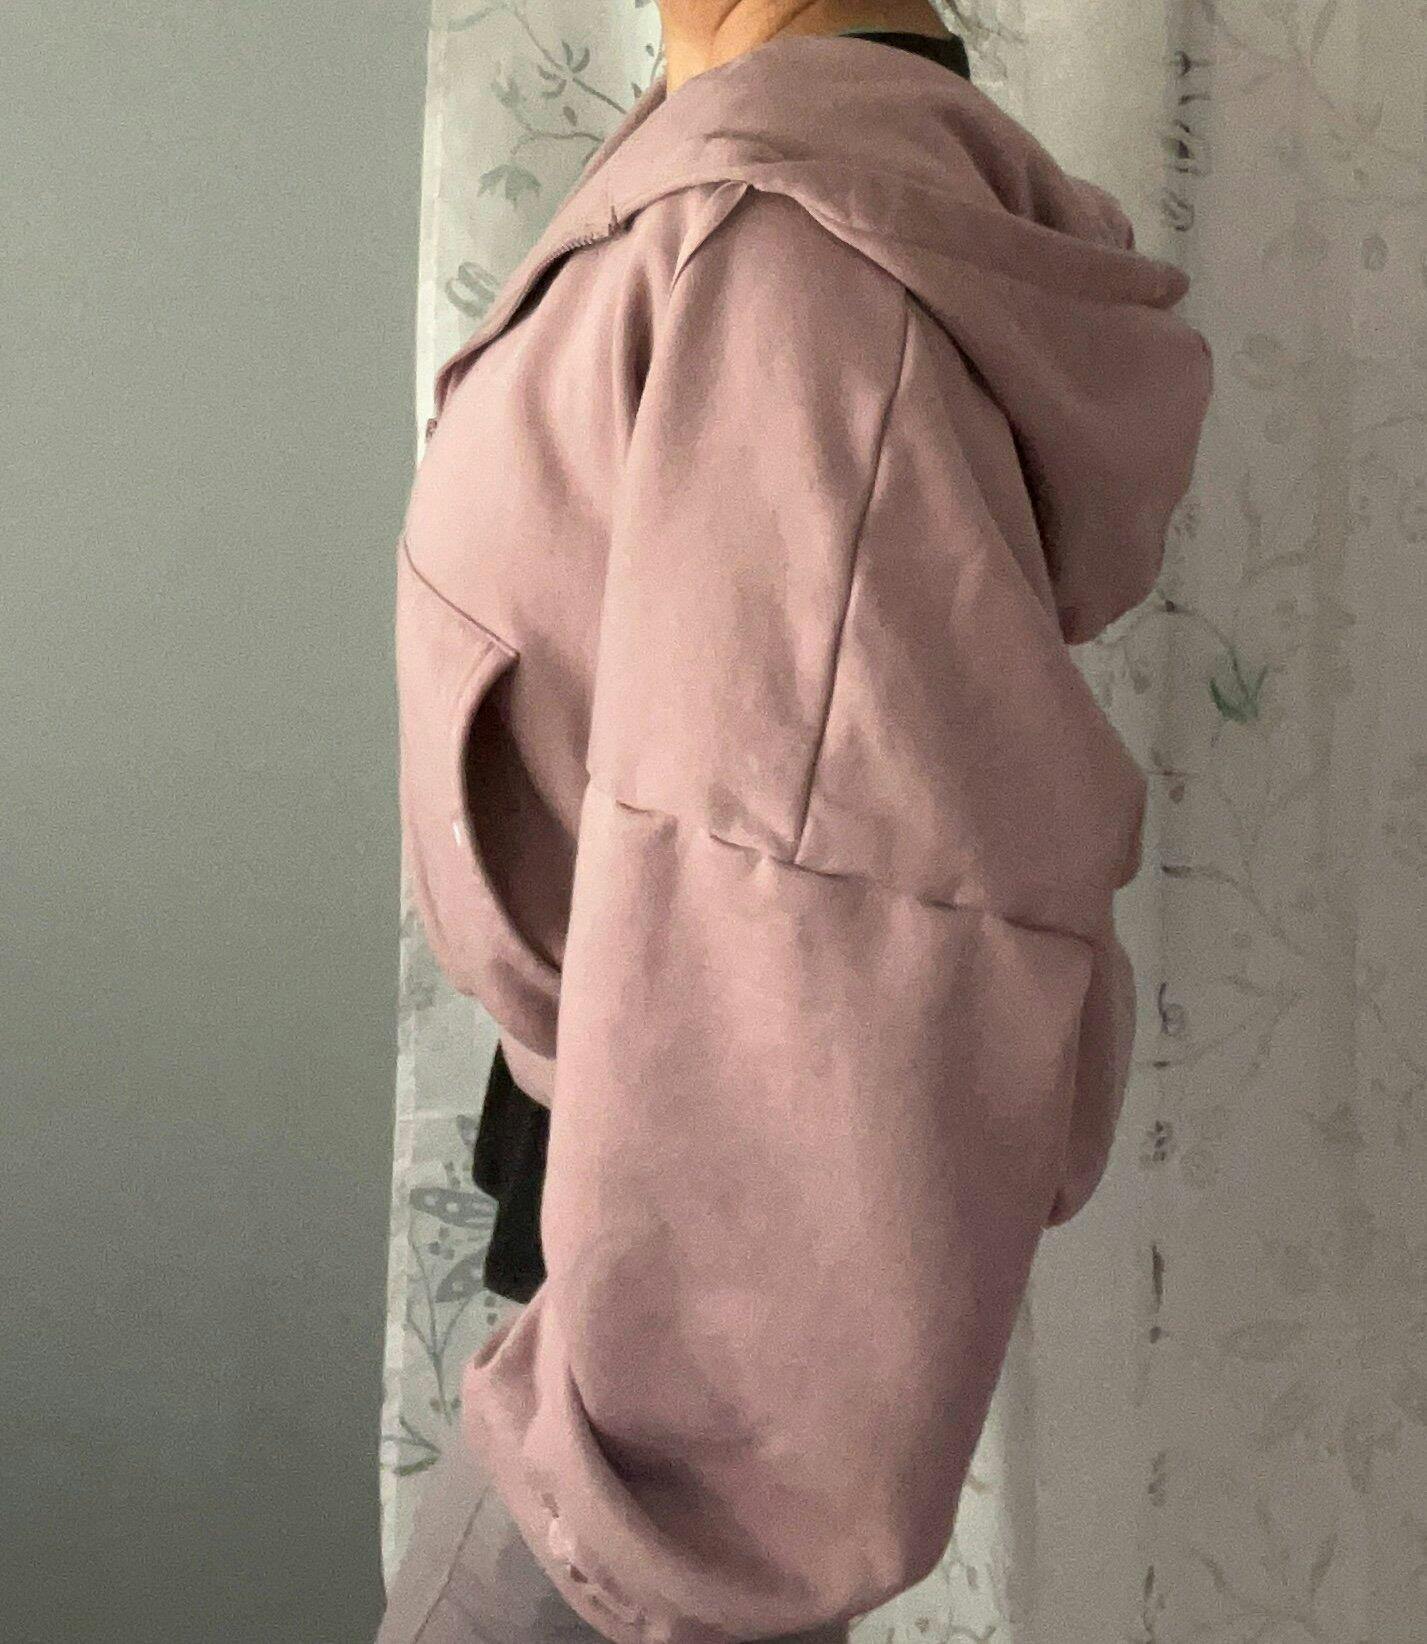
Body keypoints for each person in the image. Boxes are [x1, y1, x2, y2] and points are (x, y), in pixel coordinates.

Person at [378, 3, 1214, 1642]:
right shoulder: (754, 175)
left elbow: (816, 923)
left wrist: (665, 1524)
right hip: (641, 1272)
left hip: (674, 1403)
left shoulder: (784, 257)